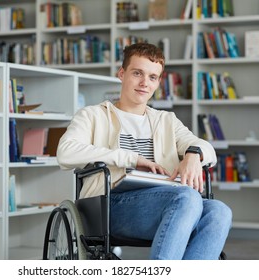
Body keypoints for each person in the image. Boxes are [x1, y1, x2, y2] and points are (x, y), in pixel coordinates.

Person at [57, 42, 232, 260]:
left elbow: (205, 147)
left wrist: (193, 154)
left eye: (152, 77)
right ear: (121, 74)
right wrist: (131, 159)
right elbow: (65, 152)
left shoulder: (166, 120)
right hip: (109, 205)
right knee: (187, 197)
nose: (144, 83)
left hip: (165, 202)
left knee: (219, 211)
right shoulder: (92, 115)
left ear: (158, 81)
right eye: (137, 73)